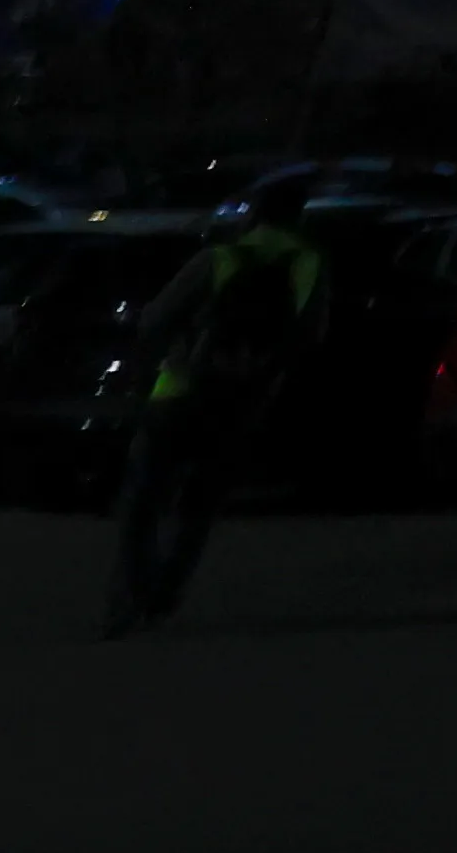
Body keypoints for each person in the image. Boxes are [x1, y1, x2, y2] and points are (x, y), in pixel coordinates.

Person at [100, 183, 335, 639]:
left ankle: (128, 601)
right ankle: (168, 591)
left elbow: (154, 319)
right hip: (243, 400)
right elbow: (312, 337)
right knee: (200, 505)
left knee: (143, 499)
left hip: (179, 391)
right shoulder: (310, 263)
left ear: (254, 215)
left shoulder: (217, 258)